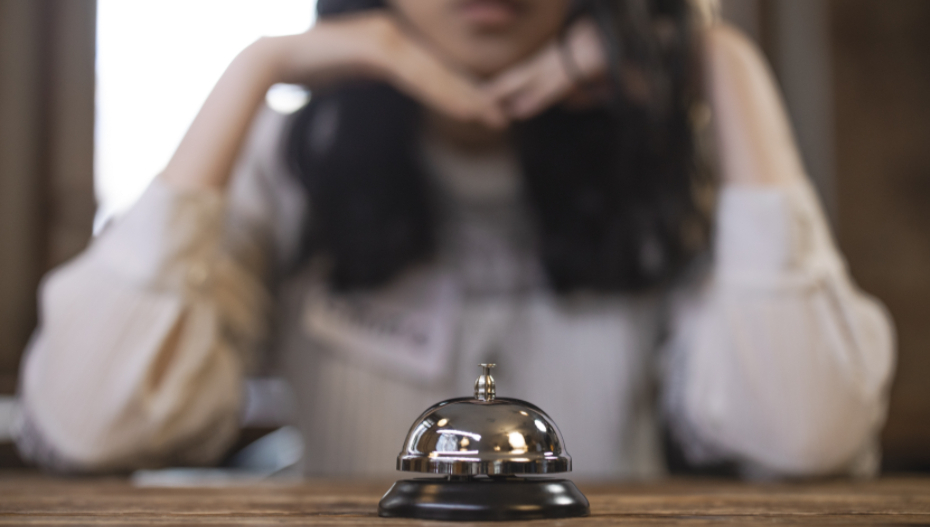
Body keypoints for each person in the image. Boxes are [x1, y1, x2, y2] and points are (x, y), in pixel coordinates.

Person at [15, 0, 894, 479]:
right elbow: (90, 420)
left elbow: (806, 430)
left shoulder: (666, 164)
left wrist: (710, 53)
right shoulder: (294, 157)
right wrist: (262, 65)